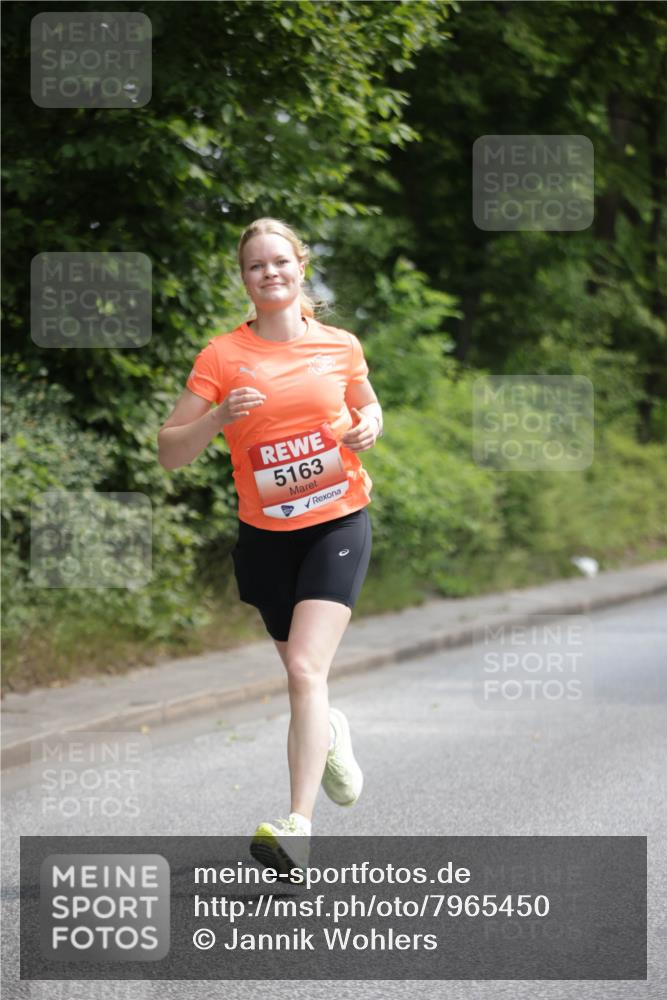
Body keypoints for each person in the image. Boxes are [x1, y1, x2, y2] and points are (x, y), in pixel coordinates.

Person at [157, 217, 383, 876]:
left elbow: (368, 406)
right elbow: (170, 450)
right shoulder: (221, 356)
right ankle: (331, 731)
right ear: (245, 279)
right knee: (304, 679)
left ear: (300, 266)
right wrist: (218, 417)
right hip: (264, 537)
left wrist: (369, 424)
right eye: (256, 265)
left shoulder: (339, 346)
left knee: (304, 671)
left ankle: (296, 828)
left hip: (337, 522)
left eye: (279, 261)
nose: (269, 273)